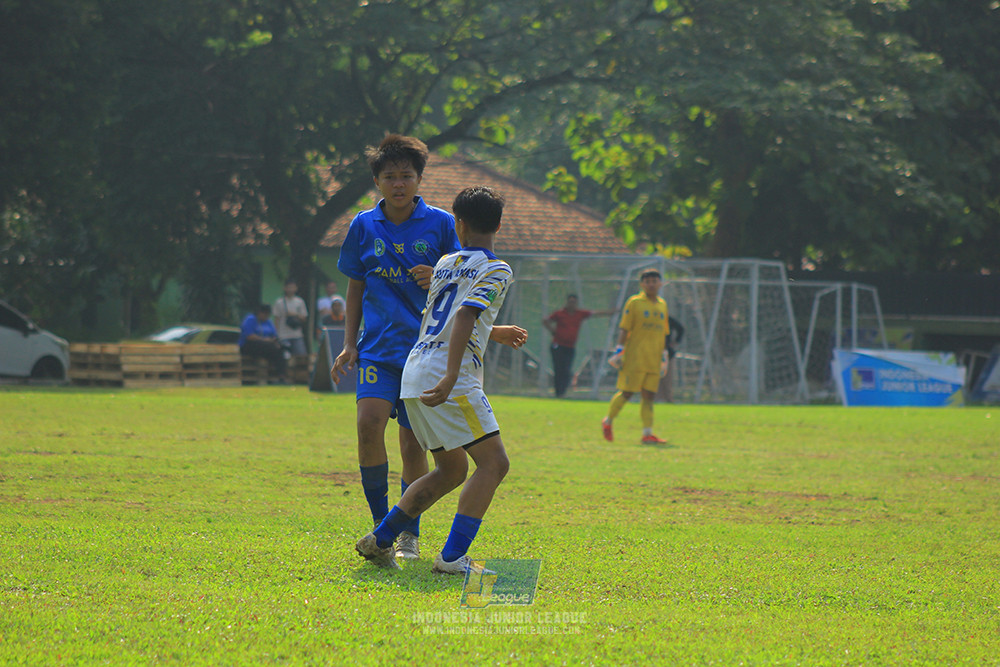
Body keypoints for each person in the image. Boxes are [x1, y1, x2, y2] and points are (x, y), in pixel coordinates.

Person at [332, 134, 525, 562]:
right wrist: (456, 370)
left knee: (447, 466)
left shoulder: (443, 261)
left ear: (455, 225)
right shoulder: (495, 267)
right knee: (494, 464)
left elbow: (453, 308)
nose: (398, 183)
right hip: (436, 367)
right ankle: (452, 556)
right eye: (390, 176)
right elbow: (463, 314)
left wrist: (491, 329)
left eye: (406, 176)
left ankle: (389, 537)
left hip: (416, 360)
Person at [601, 269, 671, 445]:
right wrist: (619, 350)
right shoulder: (634, 302)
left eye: (654, 281)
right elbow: (625, 328)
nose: (651, 284)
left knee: (649, 395)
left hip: (653, 358)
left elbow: (664, 332)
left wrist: (664, 355)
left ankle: (647, 434)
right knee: (628, 392)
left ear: (660, 283)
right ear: (642, 284)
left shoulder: (662, 304)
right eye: (647, 281)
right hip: (635, 357)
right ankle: (608, 420)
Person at [542, 294, 616, 398]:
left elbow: (594, 313)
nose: (572, 304)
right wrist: (553, 331)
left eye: (574, 302)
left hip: (570, 346)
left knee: (567, 369)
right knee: (559, 369)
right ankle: (558, 392)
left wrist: (610, 312)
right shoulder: (560, 313)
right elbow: (545, 320)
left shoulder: (579, 314)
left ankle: (563, 391)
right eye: (570, 302)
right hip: (558, 345)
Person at [238, 304, 289, 383]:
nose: (266, 316)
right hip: (250, 345)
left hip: (266, 346)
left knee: (279, 351)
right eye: (265, 314)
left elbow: (274, 335)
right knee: (269, 347)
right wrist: (265, 340)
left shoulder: (268, 322)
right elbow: (249, 336)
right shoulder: (250, 320)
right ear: (260, 313)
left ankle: (281, 376)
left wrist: (274, 341)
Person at [273, 278, 308, 358]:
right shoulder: (279, 302)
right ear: (284, 288)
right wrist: (276, 335)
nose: (290, 289)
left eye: (292, 287)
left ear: (296, 288)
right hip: (283, 335)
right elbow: (276, 319)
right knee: (285, 358)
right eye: (289, 287)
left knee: (301, 357)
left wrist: (294, 314)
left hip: (297, 335)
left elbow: (304, 318)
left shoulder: (300, 301)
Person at [662, 316, 685, 403]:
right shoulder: (649, 318)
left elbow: (681, 328)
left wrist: (676, 341)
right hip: (652, 351)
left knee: (667, 378)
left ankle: (668, 399)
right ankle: (654, 398)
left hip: (666, 353)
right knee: (653, 379)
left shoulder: (667, 319)